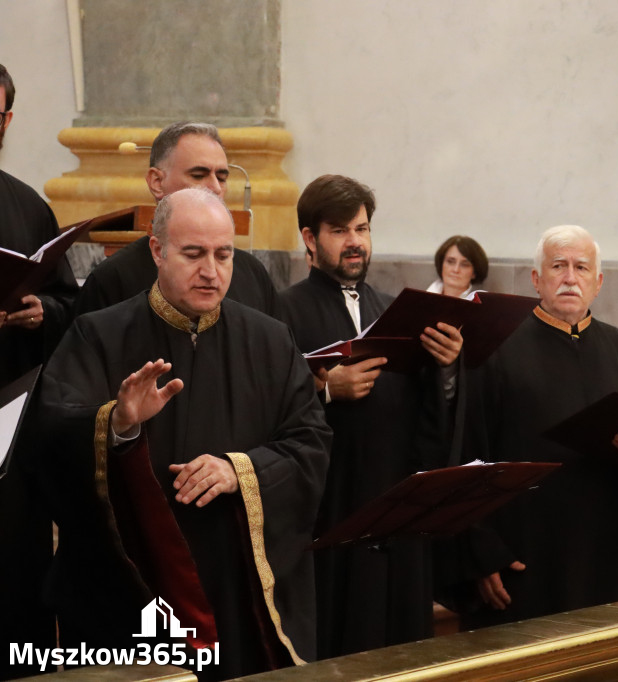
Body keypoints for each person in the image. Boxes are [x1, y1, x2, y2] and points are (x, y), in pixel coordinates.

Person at [37, 188, 331, 679]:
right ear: (157, 251)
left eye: (224, 254)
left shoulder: (271, 341)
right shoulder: (98, 334)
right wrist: (118, 424)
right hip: (134, 584)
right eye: (193, 254)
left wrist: (242, 471)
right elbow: (48, 439)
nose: (211, 271)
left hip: (236, 584)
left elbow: (311, 443)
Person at [276, 174, 463, 658]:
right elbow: (266, 411)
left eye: (362, 228)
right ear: (309, 240)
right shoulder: (281, 313)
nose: (355, 242)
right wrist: (325, 393)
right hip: (331, 510)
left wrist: (445, 369)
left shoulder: (395, 311)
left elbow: (426, 420)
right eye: (340, 230)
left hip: (396, 509)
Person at [447, 224, 618, 629]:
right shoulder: (495, 344)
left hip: (599, 548)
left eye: (582, 268)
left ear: (598, 282)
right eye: (558, 266)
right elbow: (465, 452)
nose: (570, 278)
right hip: (523, 550)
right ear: (537, 279)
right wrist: (480, 550)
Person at [0, 62, 79, 681]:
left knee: (15, 577)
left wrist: (41, 311)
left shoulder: (28, 206)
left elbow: (69, 302)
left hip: (10, 425)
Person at [72, 121, 277, 317]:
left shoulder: (253, 274)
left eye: (222, 178)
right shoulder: (114, 278)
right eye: (198, 175)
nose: (215, 188)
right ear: (157, 182)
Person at [427, 235, 489, 299]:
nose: (456, 270)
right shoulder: (422, 300)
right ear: (441, 264)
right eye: (450, 262)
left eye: (464, 265)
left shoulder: (485, 304)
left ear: (474, 273)